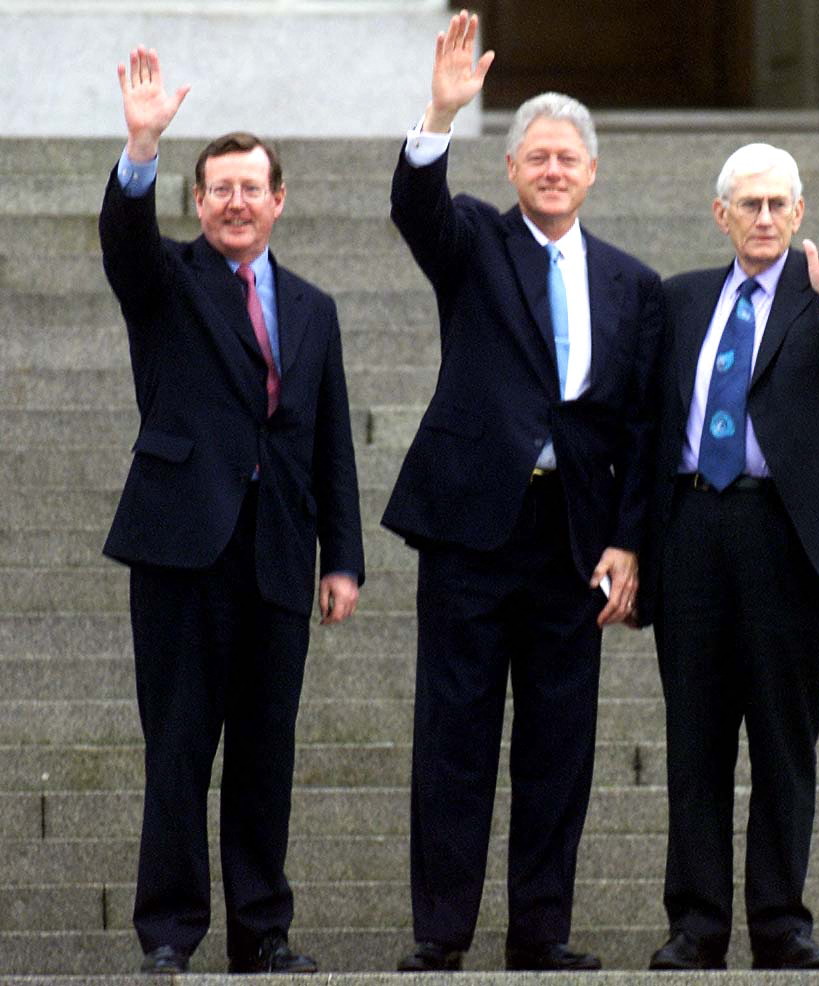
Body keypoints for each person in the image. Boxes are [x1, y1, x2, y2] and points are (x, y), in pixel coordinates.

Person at [379, 10, 663, 972]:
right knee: (453, 736)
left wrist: (628, 541)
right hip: (471, 527)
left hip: (573, 538)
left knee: (559, 747)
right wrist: (440, 116)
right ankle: (442, 931)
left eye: (566, 158)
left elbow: (639, 427)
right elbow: (417, 210)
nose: (550, 169)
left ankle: (542, 932)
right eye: (535, 155)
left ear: (591, 173)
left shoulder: (632, 283)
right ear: (511, 171)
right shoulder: (473, 245)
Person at [99, 47, 365, 975]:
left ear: (280, 200)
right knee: (177, 751)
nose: (238, 203)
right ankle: (169, 934)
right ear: (199, 202)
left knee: (264, 756)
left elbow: (330, 437)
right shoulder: (166, 281)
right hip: (181, 548)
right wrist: (142, 144)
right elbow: (124, 243)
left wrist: (344, 557)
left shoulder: (316, 308)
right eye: (220, 190)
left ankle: (263, 934)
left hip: (280, 557)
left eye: (254, 188)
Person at [640, 142, 819, 971]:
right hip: (692, 531)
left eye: (779, 205)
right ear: (722, 215)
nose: (764, 218)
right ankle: (696, 924)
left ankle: (781, 923)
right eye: (748, 205)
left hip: (787, 538)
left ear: (799, 211)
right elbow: (645, 424)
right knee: (695, 740)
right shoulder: (678, 300)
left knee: (784, 739)